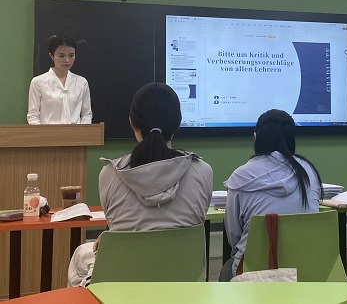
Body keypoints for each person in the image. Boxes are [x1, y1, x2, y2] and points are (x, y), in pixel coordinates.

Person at [67, 82, 213, 287]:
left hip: (120, 290)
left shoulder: (109, 175)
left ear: (132, 123)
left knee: (81, 255)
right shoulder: (202, 172)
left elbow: (115, 223)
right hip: (184, 289)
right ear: (178, 122)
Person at [219, 109, 323, 282]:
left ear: (255, 137)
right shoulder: (308, 172)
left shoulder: (241, 176)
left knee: (226, 269)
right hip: (304, 271)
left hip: (253, 274)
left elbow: (234, 237)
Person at [27, 35, 92, 124]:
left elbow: (86, 114)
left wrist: (82, 131)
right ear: (52, 56)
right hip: (48, 131)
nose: (67, 60)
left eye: (71, 55)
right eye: (61, 56)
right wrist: (42, 132)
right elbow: (33, 116)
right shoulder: (38, 82)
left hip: (75, 132)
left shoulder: (82, 82)